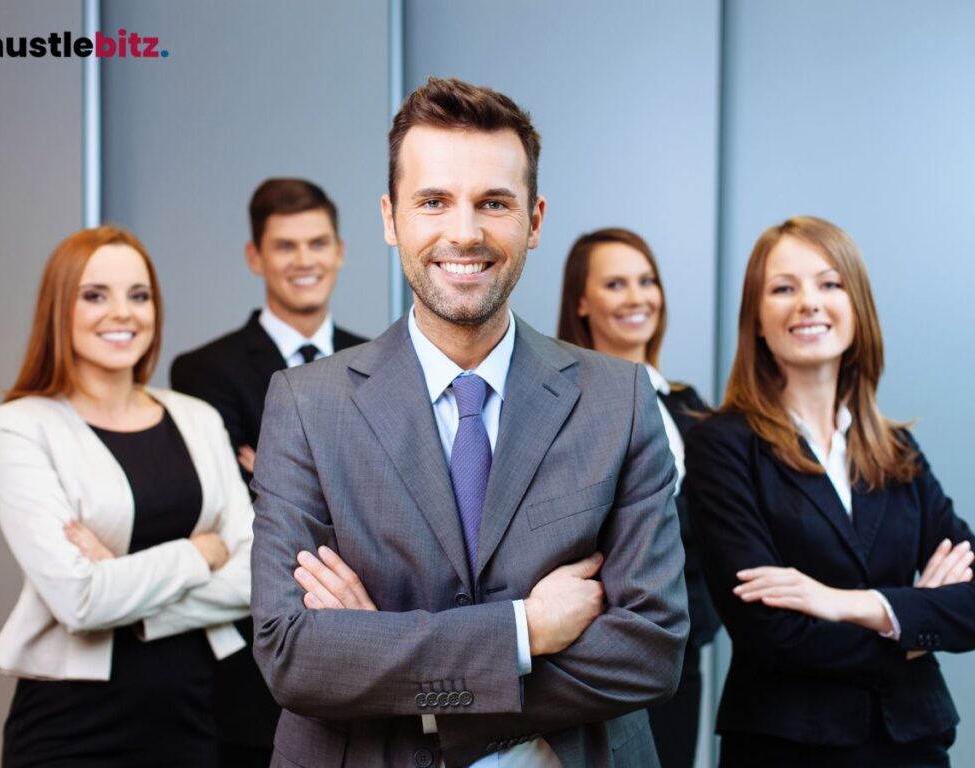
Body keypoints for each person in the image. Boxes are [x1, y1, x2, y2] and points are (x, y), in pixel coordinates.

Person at [250, 77, 688, 767]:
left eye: (493, 203)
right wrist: (522, 631)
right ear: (391, 218)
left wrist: (408, 686)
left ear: (535, 220)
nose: (464, 232)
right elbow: (293, 653)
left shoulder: (620, 399)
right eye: (433, 202)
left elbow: (650, 651)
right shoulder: (308, 404)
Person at [684, 215, 975, 767]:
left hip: (914, 744)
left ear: (857, 309)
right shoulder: (722, 446)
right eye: (783, 288)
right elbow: (770, 633)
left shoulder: (899, 452)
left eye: (829, 283)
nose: (808, 303)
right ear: (758, 321)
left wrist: (849, 605)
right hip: (787, 748)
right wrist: (916, 624)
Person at [0, 226, 253, 767]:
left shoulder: (196, 419)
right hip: (70, 730)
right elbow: (79, 600)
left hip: (190, 719)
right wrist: (198, 554)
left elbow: (252, 577)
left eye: (139, 294)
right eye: (94, 295)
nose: (122, 313)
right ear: (59, 308)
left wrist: (124, 591)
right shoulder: (19, 427)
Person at [170, 178, 367, 765]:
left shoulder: (383, 357)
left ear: (339, 250)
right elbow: (238, 517)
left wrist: (282, 475)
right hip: (248, 677)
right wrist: (350, 479)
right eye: (285, 246)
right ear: (256, 256)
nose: (304, 261)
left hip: (365, 655)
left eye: (317, 243)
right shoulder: (205, 370)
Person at [557, 227, 721, 768]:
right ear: (581, 300)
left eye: (646, 281)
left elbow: (713, 537)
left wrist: (693, 625)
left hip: (678, 657)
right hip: (586, 660)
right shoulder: (556, 406)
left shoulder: (691, 408)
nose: (637, 297)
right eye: (615, 283)